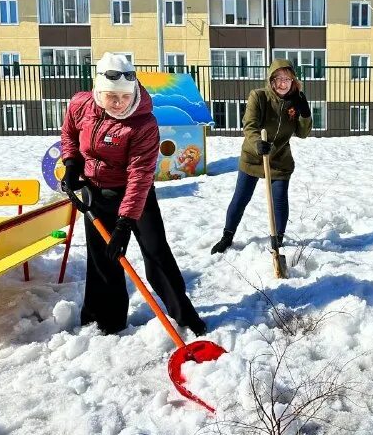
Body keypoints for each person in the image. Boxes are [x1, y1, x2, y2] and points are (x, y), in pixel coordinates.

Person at [60, 52, 206, 337]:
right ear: (98, 91)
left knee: (155, 253)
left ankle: (185, 316)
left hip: (135, 193)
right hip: (95, 192)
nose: (119, 103)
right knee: (102, 259)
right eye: (112, 96)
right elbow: (70, 135)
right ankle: (106, 321)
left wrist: (125, 223)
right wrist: (71, 165)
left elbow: (139, 176)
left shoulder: (143, 124)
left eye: (125, 96)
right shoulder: (81, 105)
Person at [210, 60, 312, 254]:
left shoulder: (295, 102)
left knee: (279, 200)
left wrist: (305, 113)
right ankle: (227, 236)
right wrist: (258, 143)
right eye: (278, 78)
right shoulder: (258, 96)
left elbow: (303, 133)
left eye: (287, 79)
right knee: (241, 198)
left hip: (280, 160)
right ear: (271, 79)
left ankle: (278, 240)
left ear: (293, 81)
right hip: (253, 157)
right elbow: (250, 125)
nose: (283, 83)